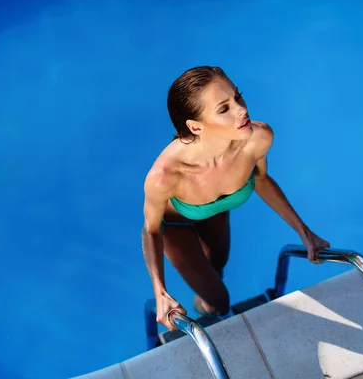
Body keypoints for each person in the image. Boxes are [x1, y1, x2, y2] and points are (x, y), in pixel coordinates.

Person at [141, 66, 331, 331]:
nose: (241, 110)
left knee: (217, 267)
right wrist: (160, 292)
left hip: (217, 213)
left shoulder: (258, 138)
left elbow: (262, 180)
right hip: (175, 226)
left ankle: (202, 301)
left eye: (237, 97)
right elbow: (151, 229)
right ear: (195, 126)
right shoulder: (165, 176)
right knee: (220, 300)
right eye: (224, 109)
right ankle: (205, 307)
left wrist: (305, 232)